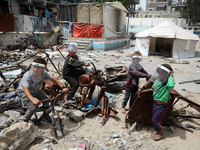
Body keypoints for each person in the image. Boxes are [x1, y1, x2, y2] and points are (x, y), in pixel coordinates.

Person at [18, 57, 68, 123]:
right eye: (34, 67)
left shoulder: (44, 73)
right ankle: (25, 120)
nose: (35, 69)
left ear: (43, 68)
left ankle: (46, 115)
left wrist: (63, 87)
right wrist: (33, 100)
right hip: (24, 92)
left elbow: (53, 79)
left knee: (47, 102)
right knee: (33, 107)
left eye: (38, 68)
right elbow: (25, 89)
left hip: (35, 90)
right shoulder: (28, 75)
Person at [151, 64, 175, 141]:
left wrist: (171, 75)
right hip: (155, 104)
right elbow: (155, 83)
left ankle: (160, 133)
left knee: (155, 119)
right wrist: (154, 85)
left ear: (166, 75)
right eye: (158, 73)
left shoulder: (167, 85)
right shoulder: (158, 80)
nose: (159, 75)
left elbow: (171, 84)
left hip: (162, 106)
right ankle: (158, 130)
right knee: (158, 119)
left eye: (161, 74)